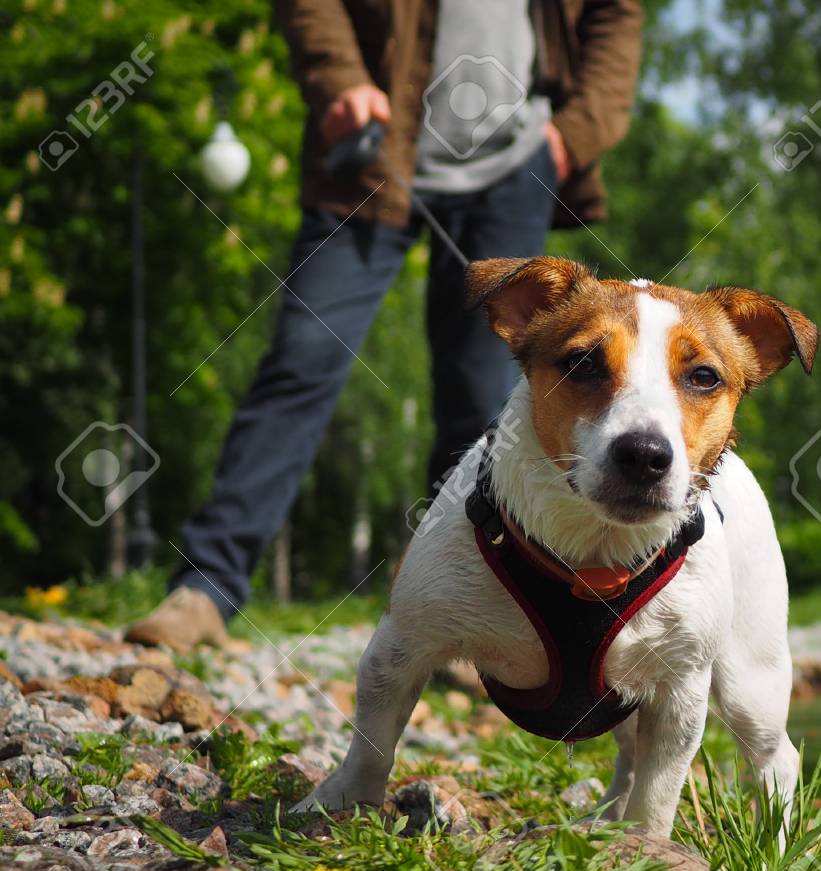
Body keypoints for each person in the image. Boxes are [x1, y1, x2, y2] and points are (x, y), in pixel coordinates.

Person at [126, 0, 644, 650]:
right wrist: (340, 79)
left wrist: (577, 132)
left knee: (483, 402)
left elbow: (615, 13)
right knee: (303, 359)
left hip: (513, 166)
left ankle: (464, 623)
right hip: (371, 153)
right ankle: (204, 589)